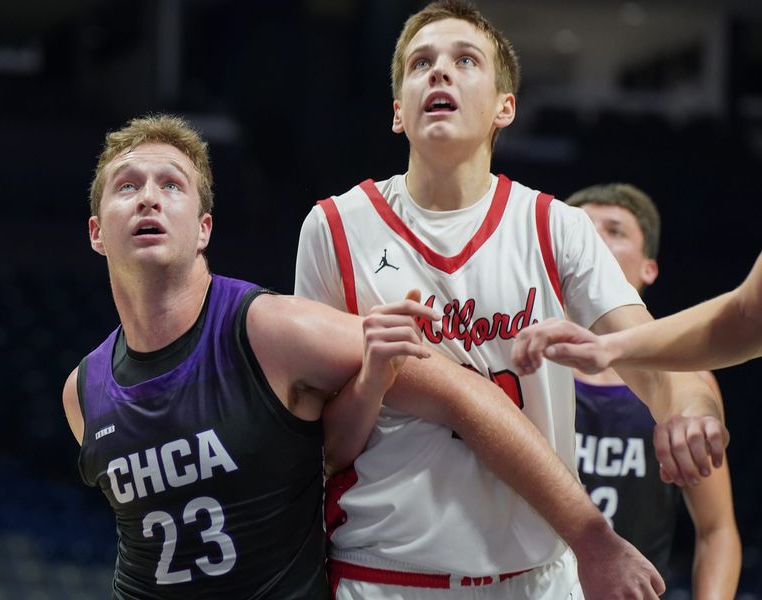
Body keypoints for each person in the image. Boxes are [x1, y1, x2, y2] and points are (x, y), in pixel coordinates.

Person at [62, 114, 665, 599]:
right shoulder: (82, 392)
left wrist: (589, 536)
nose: (148, 198)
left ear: (203, 229)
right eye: (127, 186)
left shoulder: (272, 328)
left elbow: (460, 391)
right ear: (95, 232)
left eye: (171, 185)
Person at [294, 1, 727, 598]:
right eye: (421, 63)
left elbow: (655, 362)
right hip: (385, 575)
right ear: (398, 112)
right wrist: (371, 377)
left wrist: (693, 408)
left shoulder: (556, 227)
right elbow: (317, 449)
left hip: (535, 578)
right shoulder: (333, 227)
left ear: (506, 107)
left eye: (464, 60)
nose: (439, 73)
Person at [565, 183, 740, 598]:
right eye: (583, 230)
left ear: (649, 268)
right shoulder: (514, 362)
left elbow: (716, 531)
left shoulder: (686, 380)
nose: (595, 241)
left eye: (615, 230)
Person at [512, 250, 762, 374]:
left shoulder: (684, 384)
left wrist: (692, 408)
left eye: (615, 231)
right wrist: (607, 347)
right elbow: (745, 317)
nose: (600, 243)